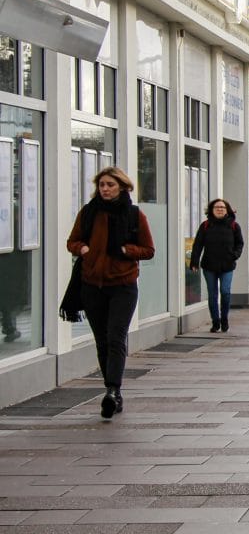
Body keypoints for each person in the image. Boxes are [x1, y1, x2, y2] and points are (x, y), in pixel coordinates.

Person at [66, 167, 155, 419]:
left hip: (123, 285)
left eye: (110, 185)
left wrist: (127, 251)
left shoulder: (135, 215)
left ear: (122, 187)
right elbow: (71, 242)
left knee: (116, 337)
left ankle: (112, 390)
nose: (105, 189)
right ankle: (112, 390)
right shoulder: (88, 213)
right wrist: (82, 248)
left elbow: (148, 249)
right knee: (102, 341)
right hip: (92, 285)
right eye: (102, 184)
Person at [188, 199, 244, 333]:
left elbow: (240, 243)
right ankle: (215, 322)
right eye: (217, 207)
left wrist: (234, 255)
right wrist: (194, 261)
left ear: (227, 210)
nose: (220, 209)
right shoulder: (206, 225)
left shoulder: (234, 226)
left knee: (225, 292)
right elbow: (198, 245)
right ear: (212, 210)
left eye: (223, 207)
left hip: (227, 265)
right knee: (212, 294)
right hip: (209, 266)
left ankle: (224, 319)